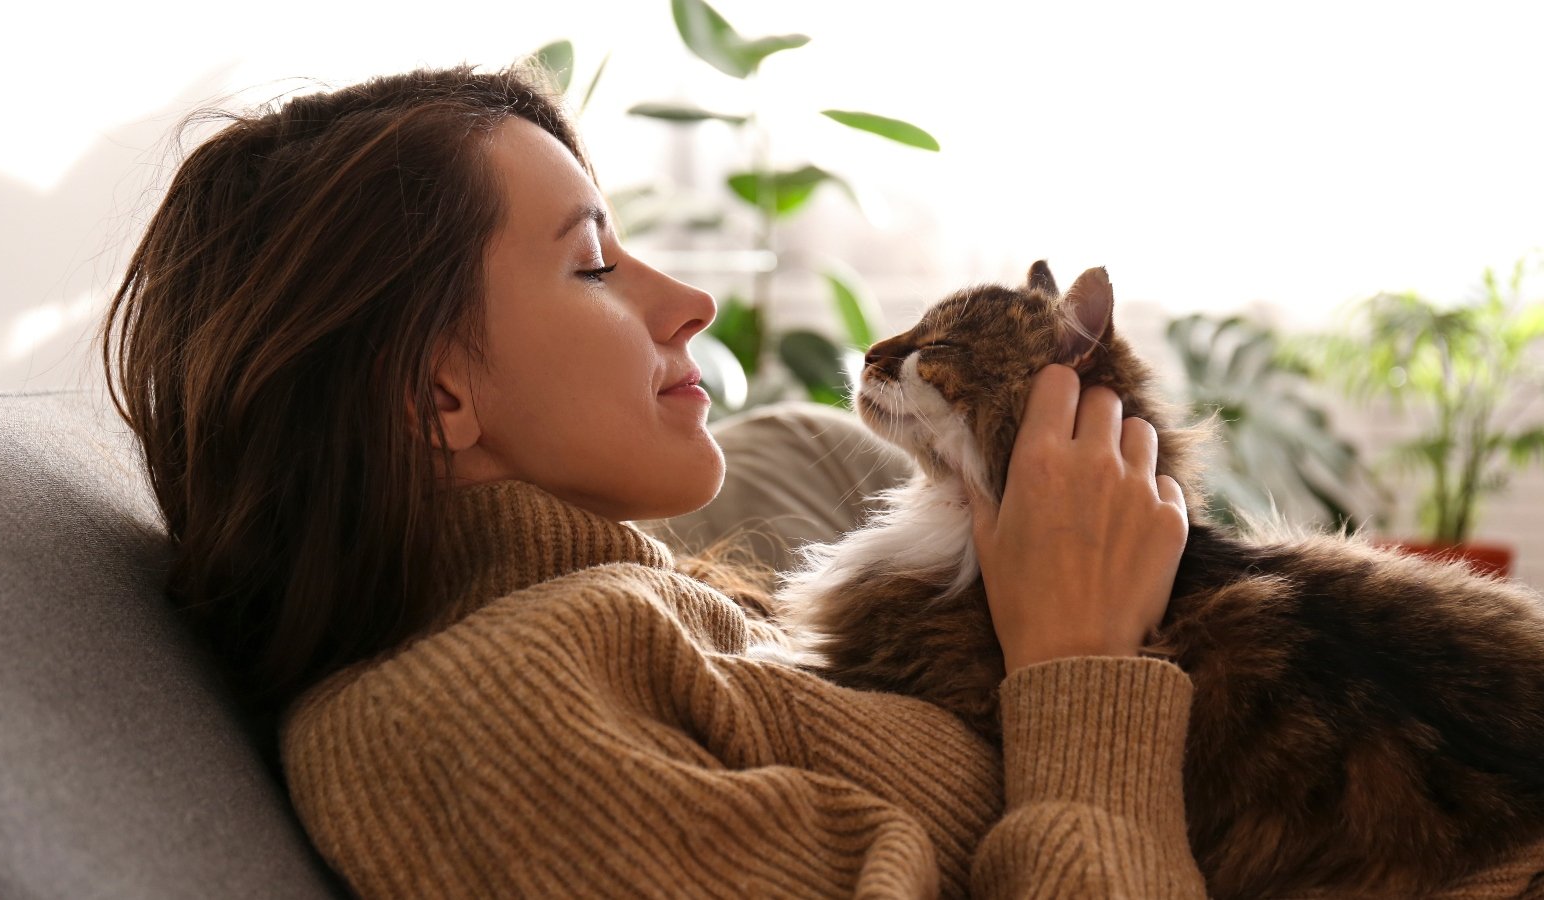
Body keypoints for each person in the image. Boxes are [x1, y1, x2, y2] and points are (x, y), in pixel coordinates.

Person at [101, 66, 1544, 898]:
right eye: (595, 262)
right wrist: (1081, 674)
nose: (690, 305)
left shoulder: (656, 617)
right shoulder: (472, 720)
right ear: (434, 394)